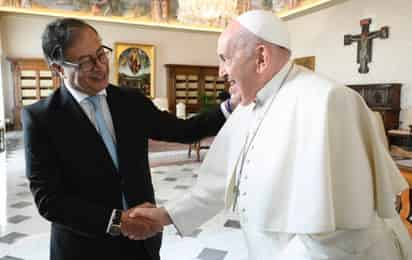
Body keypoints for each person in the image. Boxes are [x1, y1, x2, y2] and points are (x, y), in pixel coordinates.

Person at [127, 10, 412, 260]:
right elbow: (218, 183)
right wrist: (167, 216)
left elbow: (344, 231)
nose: (221, 72)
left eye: (225, 59)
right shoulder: (249, 104)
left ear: (261, 57)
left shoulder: (327, 101)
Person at [21, 18, 238, 260]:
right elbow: (50, 201)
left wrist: (230, 106)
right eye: (85, 62)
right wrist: (118, 222)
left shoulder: (130, 101)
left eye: (101, 54)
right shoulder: (41, 119)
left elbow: (183, 131)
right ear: (58, 68)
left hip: (142, 244)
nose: (100, 66)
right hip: (84, 248)